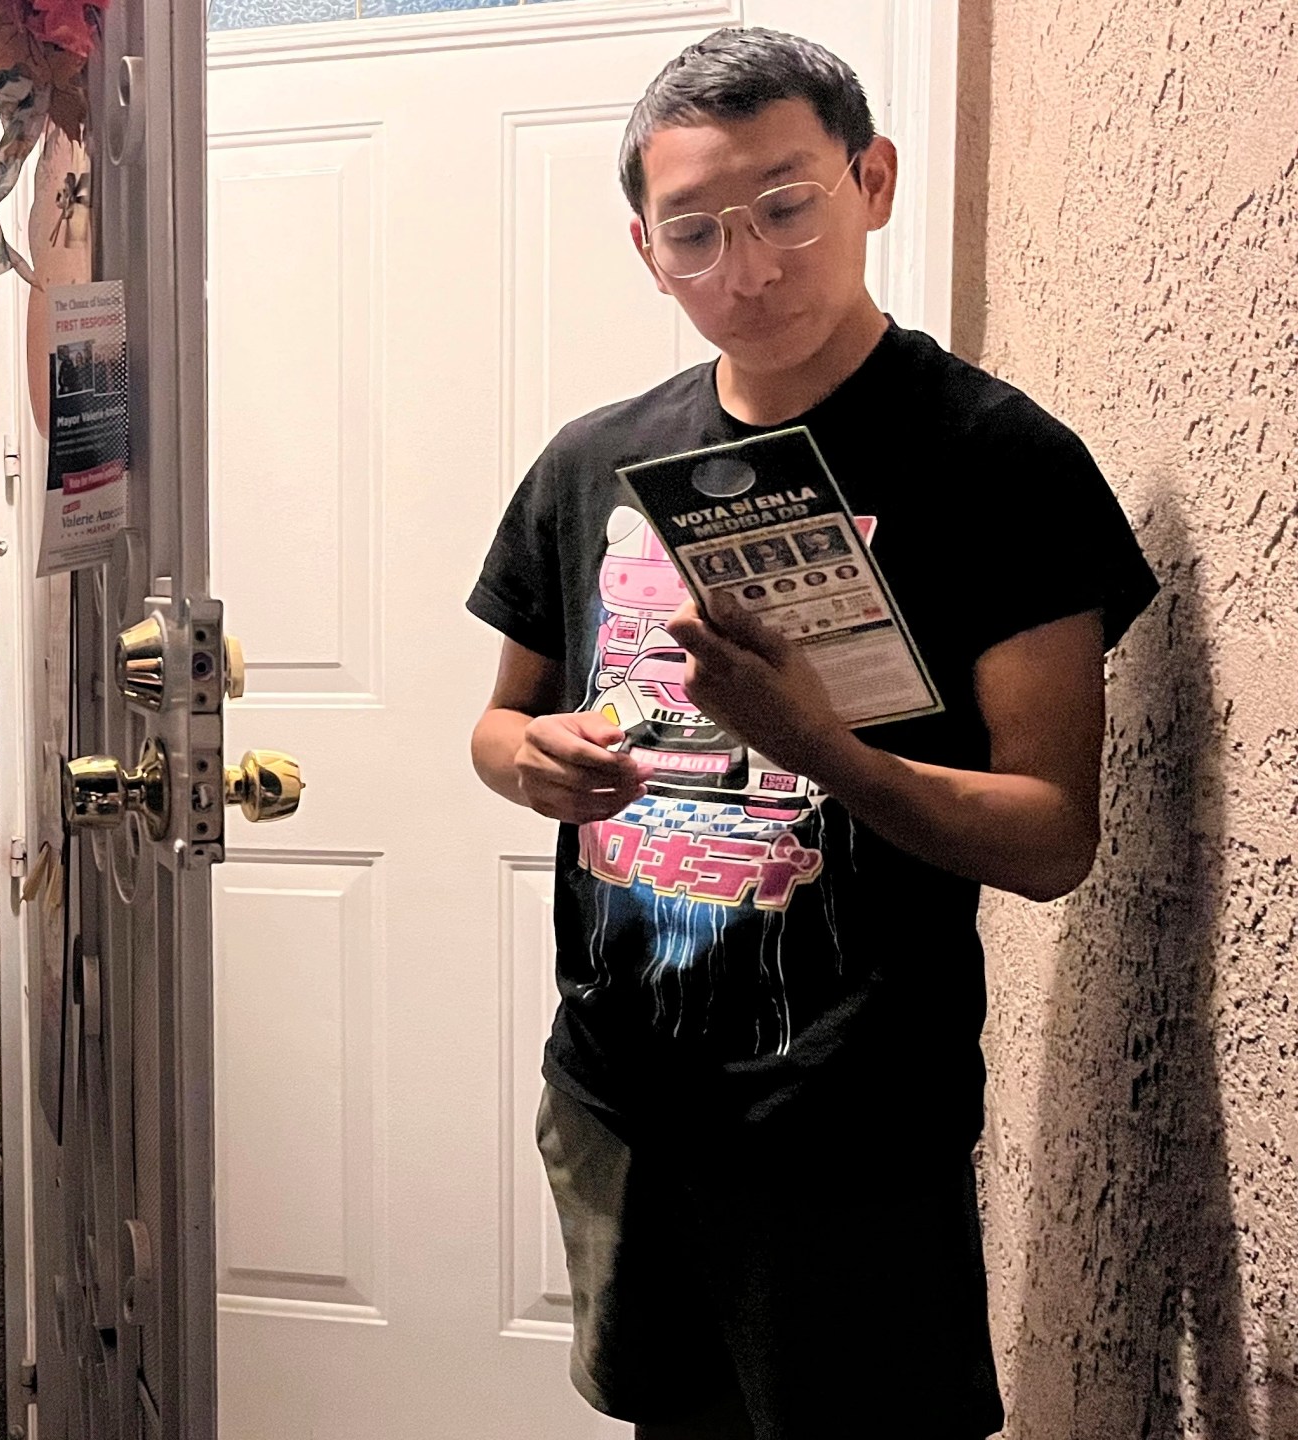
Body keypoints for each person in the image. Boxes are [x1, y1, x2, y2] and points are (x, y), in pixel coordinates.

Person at [465, 29, 1154, 1440]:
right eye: (697, 231)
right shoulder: (593, 460)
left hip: (851, 1124)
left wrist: (818, 744)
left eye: (787, 205)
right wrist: (529, 763)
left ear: (872, 180)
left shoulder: (998, 461)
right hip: (618, 1092)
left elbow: (1052, 837)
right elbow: (497, 722)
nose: (750, 265)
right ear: (648, 251)